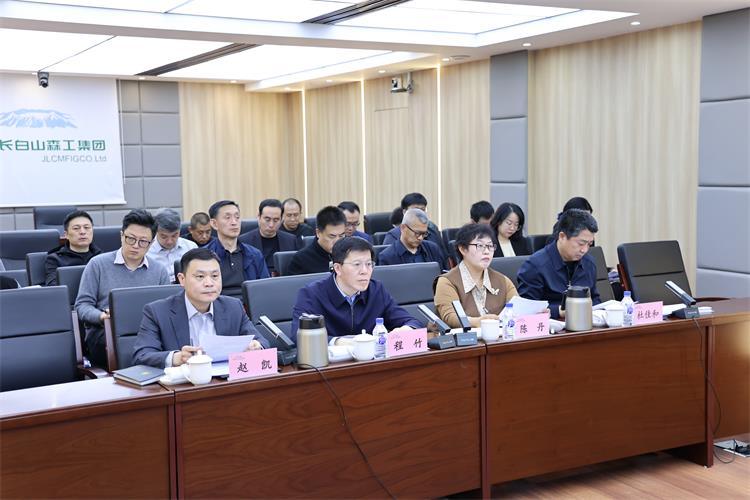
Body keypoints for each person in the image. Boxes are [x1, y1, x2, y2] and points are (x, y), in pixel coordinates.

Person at [132, 248, 267, 369]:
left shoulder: (233, 307)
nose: (209, 283)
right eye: (200, 277)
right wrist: (177, 358)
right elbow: (142, 355)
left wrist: (256, 346)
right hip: (184, 385)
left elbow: (262, 341)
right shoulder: (157, 312)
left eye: (215, 276)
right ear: (182, 279)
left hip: (225, 382)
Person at [75, 209, 171, 368]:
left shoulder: (159, 270)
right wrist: (102, 317)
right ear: (121, 235)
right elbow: (82, 306)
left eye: (143, 242)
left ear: (152, 242)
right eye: (130, 239)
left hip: (148, 331)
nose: (135, 246)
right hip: (106, 332)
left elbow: (167, 309)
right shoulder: (97, 264)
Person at [291, 237, 422, 344]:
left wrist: (405, 329)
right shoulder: (312, 294)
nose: (364, 271)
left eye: (369, 264)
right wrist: (339, 342)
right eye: (357, 264)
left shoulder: (376, 290)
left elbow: (412, 322)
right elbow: (299, 336)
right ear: (337, 268)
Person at [517, 209, 601, 319]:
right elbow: (527, 308)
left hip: (584, 324)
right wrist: (558, 311)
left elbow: (595, 299)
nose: (584, 250)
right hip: (550, 326)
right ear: (562, 237)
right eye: (581, 243)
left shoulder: (589, 263)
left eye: (589, 244)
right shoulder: (535, 266)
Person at [434, 224, 518, 328]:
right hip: (463, 338)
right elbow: (450, 318)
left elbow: (519, 309)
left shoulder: (503, 281)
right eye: (480, 246)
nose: (486, 251)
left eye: (490, 246)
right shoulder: (447, 282)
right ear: (463, 249)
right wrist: (478, 322)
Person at [205, 200, 269, 299]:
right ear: (214, 224)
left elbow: (265, 288)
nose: (234, 222)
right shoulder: (204, 256)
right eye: (227, 218)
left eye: (237, 217)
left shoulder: (254, 254)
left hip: (250, 304)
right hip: (217, 304)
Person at [239, 199, 300, 274]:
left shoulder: (291, 240)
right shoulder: (244, 241)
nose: (271, 225)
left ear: (281, 219)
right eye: (267, 220)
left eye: (276, 220)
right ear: (259, 217)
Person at [45, 209, 102, 286]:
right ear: (66, 235)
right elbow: (53, 287)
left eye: (86, 227)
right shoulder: (54, 259)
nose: (82, 232)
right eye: (76, 228)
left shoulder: (101, 257)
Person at [287, 206, 347, 275]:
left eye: (341, 236)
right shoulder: (301, 260)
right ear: (318, 233)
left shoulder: (350, 255)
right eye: (332, 236)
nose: (337, 241)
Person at [377, 208, 447, 268]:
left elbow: (441, 275)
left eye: (424, 234)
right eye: (417, 233)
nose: (420, 238)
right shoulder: (387, 257)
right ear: (403, 228)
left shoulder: (433, 249)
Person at [147, 208, 197, 282]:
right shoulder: (146, 251)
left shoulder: (191, 248)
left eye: (174, 235)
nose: (169, 241)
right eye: (164, 236)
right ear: (155, 232)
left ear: (179, 230)